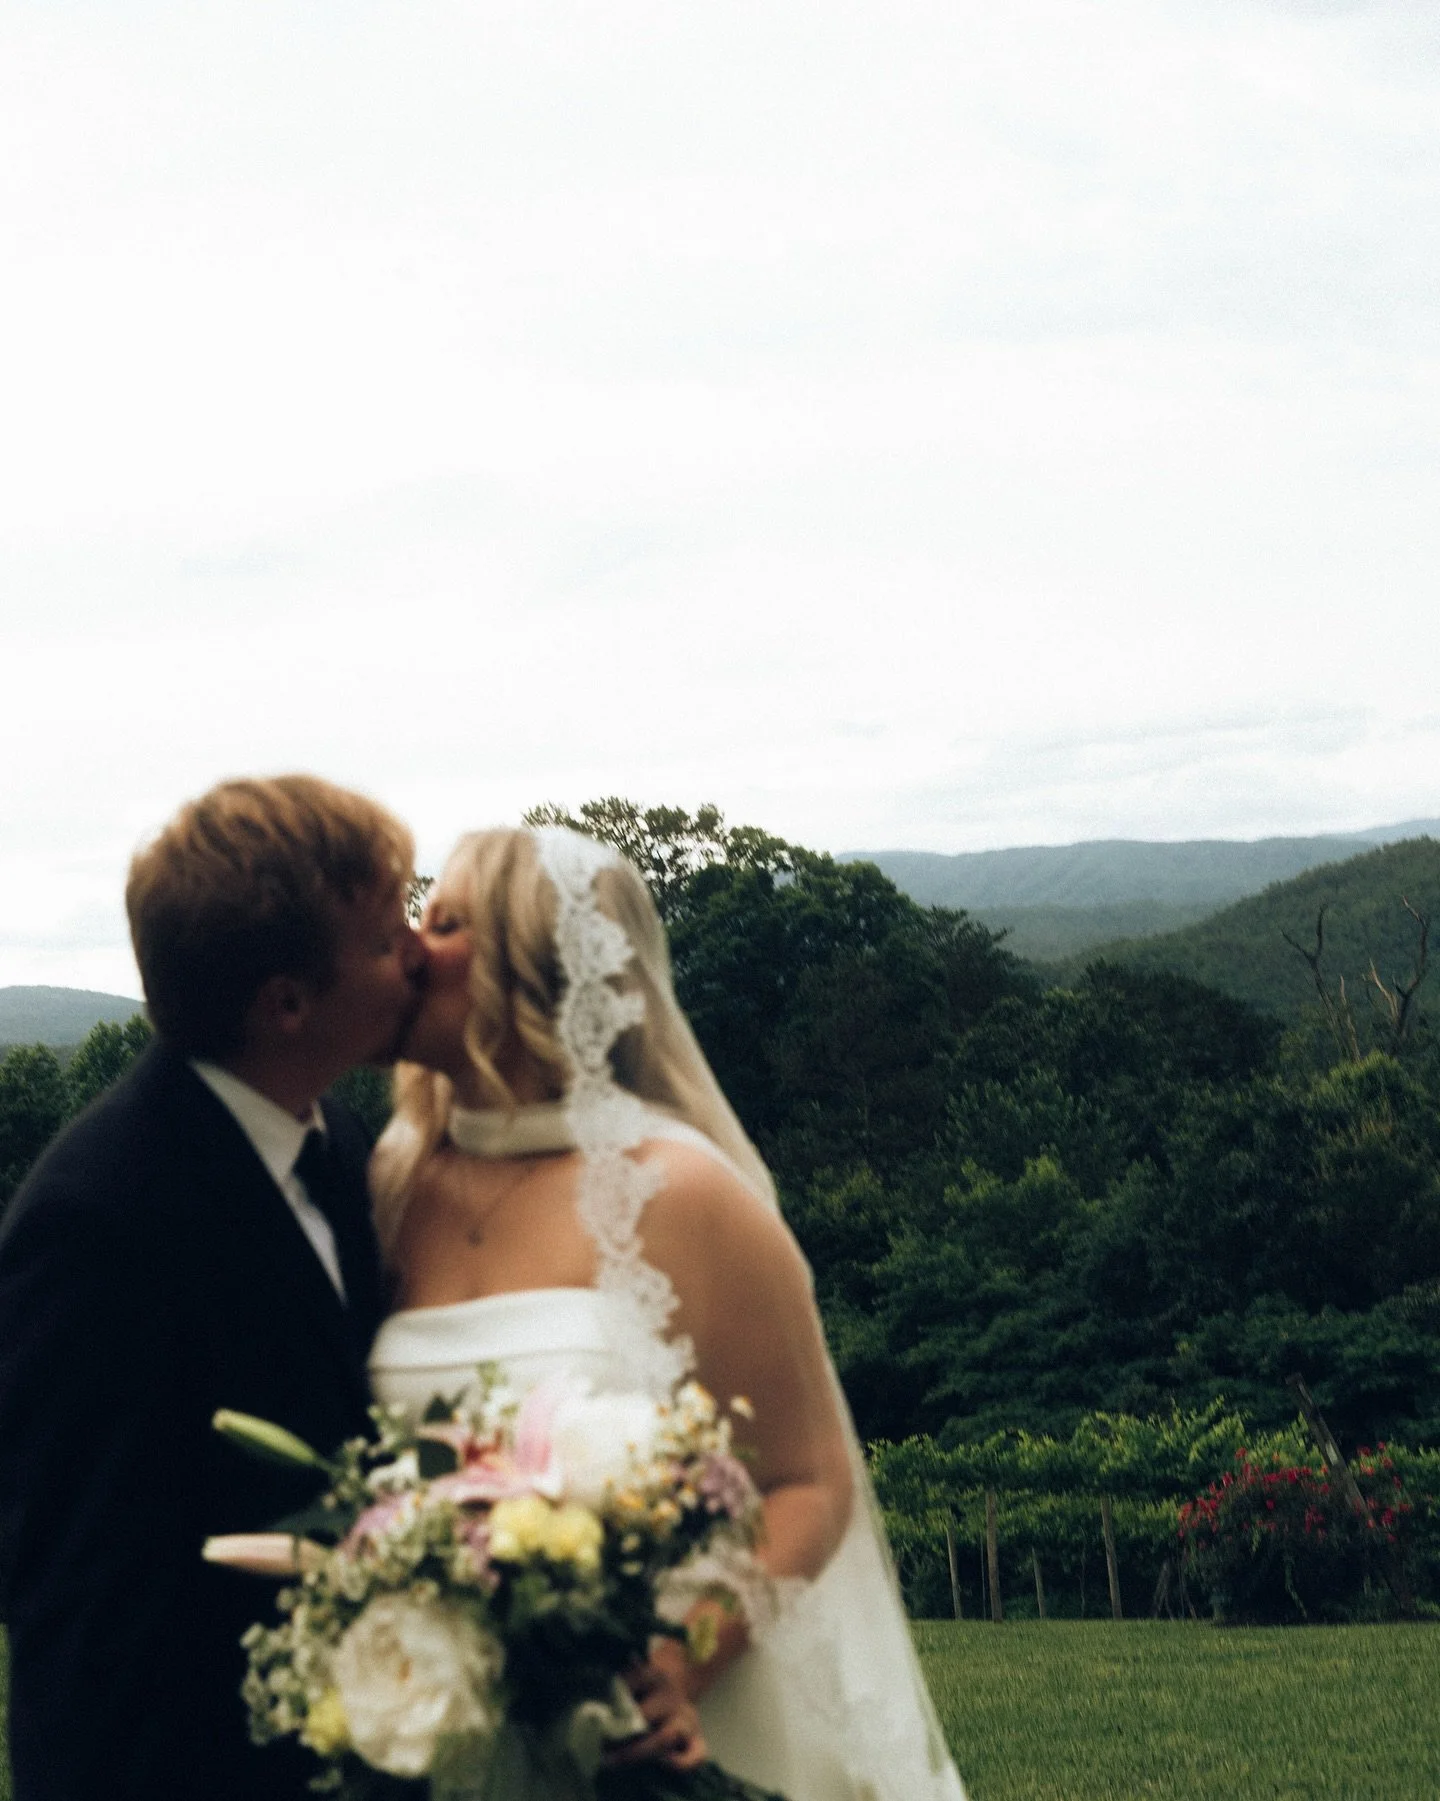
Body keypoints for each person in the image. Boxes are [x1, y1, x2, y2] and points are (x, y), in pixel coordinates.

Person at [369, 825, 967, 1801]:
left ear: (536, 967)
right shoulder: (392, 1186)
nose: (409, 947)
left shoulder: (685, 1193)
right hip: (446, 1725)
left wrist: (680, 1660)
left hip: (666, 1729)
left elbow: (810, 1479)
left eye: (445, 923)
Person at [0, 775, 424, 1801]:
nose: (415, 951)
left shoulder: (349, 1148)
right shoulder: (96, 1219)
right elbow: (76, 1597)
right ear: (286, 1002)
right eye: (382, 939)